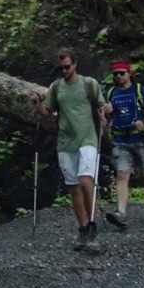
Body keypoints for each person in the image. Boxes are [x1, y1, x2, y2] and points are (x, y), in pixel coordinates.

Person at [33, 49, 107, 253]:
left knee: (85, 179)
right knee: (73, 186)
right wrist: (39, 104)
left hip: (87, 138)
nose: (65, 70)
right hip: (66, 142)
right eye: (62, 67)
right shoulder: (57, 88)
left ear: (75, 64)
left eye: (68, 66)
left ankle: (92, 225)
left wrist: (105, 113)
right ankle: (83, 228)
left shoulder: (89, 84)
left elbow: (102, 105)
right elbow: (48, 113)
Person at [102, 63, 144, 228]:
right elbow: (108, 120)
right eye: (115, 74)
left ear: (129, 74)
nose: (118, 77)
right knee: (122, 174)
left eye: (121, 73)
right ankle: (121, 212)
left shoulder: (141, 91)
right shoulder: (111, 93)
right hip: (120, 140)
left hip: (140, 138)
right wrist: (104, 116)